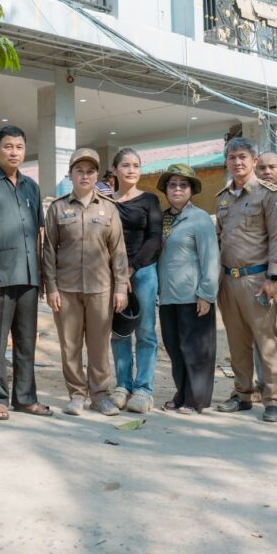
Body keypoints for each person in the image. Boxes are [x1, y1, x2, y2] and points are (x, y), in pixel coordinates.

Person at [0, 125, 53, 420]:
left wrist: (41, 275)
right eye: (7, 146)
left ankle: (25, 398)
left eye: (19, 147)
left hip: (28, 276)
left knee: (27, 341)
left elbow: (39, 233)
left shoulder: (32, 187)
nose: (14, 152)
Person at [43, 148, 130, 417]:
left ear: (97, 175)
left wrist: (121, 287)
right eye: (79, 171)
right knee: (70, 346)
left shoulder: (109, 208)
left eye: (90, 171)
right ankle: (77, 395)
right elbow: (48, 250)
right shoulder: (58, 208)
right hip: (66, 290)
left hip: (101, 289)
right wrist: (51, 287)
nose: (85, 175)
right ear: (70, 174)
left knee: (99, 346)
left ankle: (100, 395)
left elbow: (118, 251)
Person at [214, 137, 277, 422]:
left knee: (266, 341)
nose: (237, 162)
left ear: (254, 161)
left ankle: (275, 399)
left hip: (257, 280)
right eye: (232, 158)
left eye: (243, 157)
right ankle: (242, 393)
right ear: (226, 162)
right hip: (228, 280)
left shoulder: (268, 195)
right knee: (237, 342)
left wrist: (274, 275)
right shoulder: (222, 198)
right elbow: (220, 239)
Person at [156, 165, 220, 414]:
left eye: (183, 185)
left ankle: (195, 399)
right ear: (166, 189)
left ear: (191, 190)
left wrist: (206, 293)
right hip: (168, 297)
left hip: (193, 297)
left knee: (196, 352)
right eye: (172, 185)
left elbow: (211, 258)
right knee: (175, 349)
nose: (177, 189)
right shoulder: (163, 219)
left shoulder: (200, 219)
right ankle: (181, 394)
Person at [110, 148, 163, 413]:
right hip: (112, 274)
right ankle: (123, 385)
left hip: (143, 272)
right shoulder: (105, 201)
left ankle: (143, 389)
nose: (131, 170)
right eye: (126, 165)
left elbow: (155, 238)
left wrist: (130, 269)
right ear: (114, 169)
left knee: (145, 331)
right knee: (120, 330)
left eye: (136, 165)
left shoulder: (150, 200)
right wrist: (117, 273)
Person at [251, 151, 277, 397]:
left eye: (272, 167)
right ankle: (263, 385)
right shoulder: (250, 200)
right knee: (262, 336)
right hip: (259, 279)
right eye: (262, 168)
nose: (266, 171)